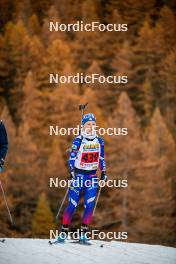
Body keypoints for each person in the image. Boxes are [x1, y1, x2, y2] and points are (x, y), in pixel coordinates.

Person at [57, 113, 107, 243]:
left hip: (92, 177)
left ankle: (84, 234)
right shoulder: (78, 140)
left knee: (89, 205)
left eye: (93, 124)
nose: (91, 127)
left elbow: (101, 158)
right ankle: (63, 233)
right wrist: (72, 170)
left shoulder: (100, 141)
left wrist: (104, 172)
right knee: (72, 205)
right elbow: (72, 157)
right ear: (83, 126)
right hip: (79, 175)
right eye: (88, 124)